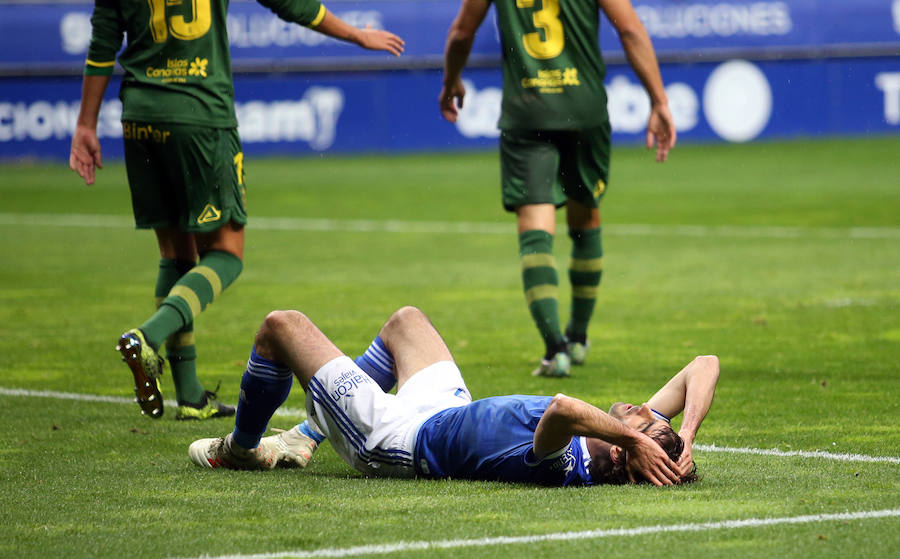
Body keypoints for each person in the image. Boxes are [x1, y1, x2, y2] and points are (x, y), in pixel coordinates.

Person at [69, 0, 405, 419]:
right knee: (226, 254)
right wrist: (356, 33)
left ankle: (190, 396)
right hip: (200, 116)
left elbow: (102, 47)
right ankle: (149, 336)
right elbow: (290, 4)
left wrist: (85, 124)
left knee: (176, 253)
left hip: (141, 116)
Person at [188, 306, 718, 486]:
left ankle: (240, 449)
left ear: (627, 451)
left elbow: (561, 408)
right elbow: (704, 365)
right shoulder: (623, 436)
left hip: (396, 439)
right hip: (447, 410)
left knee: (281, 327)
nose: (645, 408)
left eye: (646, 420)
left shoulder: (564, 466)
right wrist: (685, 434)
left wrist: (634, 435)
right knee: (407, 323)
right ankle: (307, 435)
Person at [439, 0, 677, 377]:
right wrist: (659, 100)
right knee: (586, 215)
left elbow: (461, 33)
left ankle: (555, 349)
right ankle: (578, 336)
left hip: (528, 110)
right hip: (584, 109)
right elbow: (630, 29)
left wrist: (451, 78)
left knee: (536, 226)